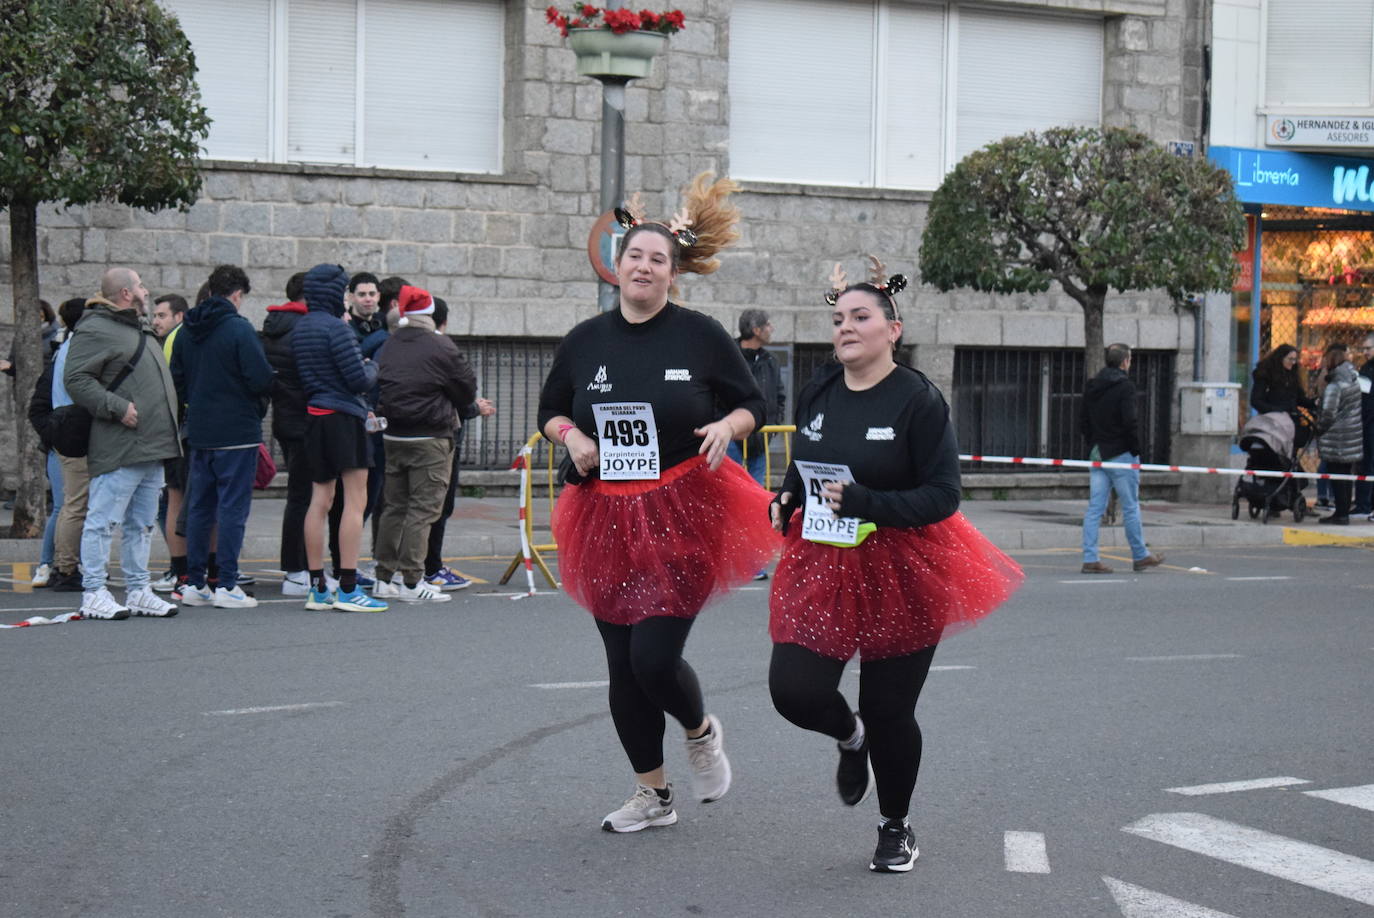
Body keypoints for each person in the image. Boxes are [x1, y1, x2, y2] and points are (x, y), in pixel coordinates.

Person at [536, 173, 778, 833]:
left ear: (674, 273)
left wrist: (729, 429)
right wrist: (573, 436)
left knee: (653, 658)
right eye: (635, 255)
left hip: (685, 507)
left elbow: (754, 403)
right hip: (605, 511)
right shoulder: (586, 341)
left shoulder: (699, 336)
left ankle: (700, 731)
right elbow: (550, 409)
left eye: (657, 259)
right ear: (618, 265)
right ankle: (653, 795)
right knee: (621, 666)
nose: (644, 266)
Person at [766, 264, 1022, 873]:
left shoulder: (917, 398)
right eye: (838, 319)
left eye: (860, 317)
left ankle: (895, 824)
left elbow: (943, 496)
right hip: (823, 561)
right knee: (793, 691)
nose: (845, 328)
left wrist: (868, 504)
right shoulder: (819, 390)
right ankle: (848, 738)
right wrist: (786, 498)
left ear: (892, 329)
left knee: (889, 710)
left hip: (904, 564)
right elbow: (806, 466)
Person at [63, 268, 180, 619]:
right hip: (121, 444)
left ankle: (138, 589)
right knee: (102, 521)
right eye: (141, 286)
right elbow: (76, 379)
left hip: (152, 445)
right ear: (127, 293)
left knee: (141, 524)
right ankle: (94, 591)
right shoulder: (97, 328)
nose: (147, 291)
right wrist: (116, 407)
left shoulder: (136, 326)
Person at [171, 265, 275, 608]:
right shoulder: (238, 329)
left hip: (200, 431)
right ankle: (227, 583)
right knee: (233, 508)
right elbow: (260, 378)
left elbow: (178, 379)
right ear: (236, 295)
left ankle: (196, 582)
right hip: (237, 431)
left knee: (200, 506)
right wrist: (254, 405)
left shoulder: (188, 330)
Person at [370, 286, 477, 602]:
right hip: (430, 436)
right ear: (430, 314)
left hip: (394, 435)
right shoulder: (440, 345)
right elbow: (466, 388)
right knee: (422, 509)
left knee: (394, 507)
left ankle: (383, 576)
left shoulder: (390, 344)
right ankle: (413, 581)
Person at [291, 263, 388, 613]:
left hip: (315, 416)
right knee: (356, 501)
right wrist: (372, 364)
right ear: (335, 293)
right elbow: (359, 380)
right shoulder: (337, 329)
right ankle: (348, 587)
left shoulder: (302, 328)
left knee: (319, 500)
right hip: (345, 419)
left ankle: (318, 587)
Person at [421, 296, 492, 591]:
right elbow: (460, 397)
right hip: (441, 439)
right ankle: (430, 567)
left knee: (408, 506)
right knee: (437, 506)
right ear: (444, 322)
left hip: (404, 435)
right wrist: (476, 408)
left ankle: (402, 566)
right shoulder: (442, 350)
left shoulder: (402, 347)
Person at [1079, 343, 1163, 574]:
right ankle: (1139, 554)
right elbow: (1130, 422)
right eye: (1130, 359)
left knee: (1095, 508)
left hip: (1098, 453)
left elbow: (1083, 420)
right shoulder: (1125, 386)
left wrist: (1093, 442)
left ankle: (1090, 558)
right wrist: (1135, 449)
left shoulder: (1092, 385)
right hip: (1121, 454)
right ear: (1125, 361)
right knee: (1131, 506)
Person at [261, 273, 312, 594]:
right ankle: (296, 570)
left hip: (285, 418)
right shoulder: (304, 328)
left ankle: (299, 567)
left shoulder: (275, 326)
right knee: (304, 499)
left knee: (302, 497)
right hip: (306, 421)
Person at [26, 299, 77, 587]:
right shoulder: (62, 355)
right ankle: (47, 564)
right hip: (61, 442)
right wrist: (53, 434)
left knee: (69, 506)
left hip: (65, 440)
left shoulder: (63, 352)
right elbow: (39, 406)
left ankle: (61, 563)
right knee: (63, 506)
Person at [46, 298, 90, 593]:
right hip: (74, 429)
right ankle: (66, 567)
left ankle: (63, 565)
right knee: (75, 504)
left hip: (64, 426)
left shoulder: (66, 346)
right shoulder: (76, 347)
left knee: (70, 504)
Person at [149, 293, 189, 593]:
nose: (155, 321)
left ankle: (180, 568)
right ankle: (181, 569)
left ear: (179, 316)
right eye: (155, 315)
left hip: (172, 431)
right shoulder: (170, 341)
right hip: (175, 432)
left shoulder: (173, 341)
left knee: (173, 499)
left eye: (161, 315)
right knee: (175, 498)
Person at [727, 308, 784, 485]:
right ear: (756, 330)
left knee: (757, 490)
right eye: (767, 324)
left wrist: (774, 426)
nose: (772, 328)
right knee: (733, 488)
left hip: (761, 437)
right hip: (731, 437)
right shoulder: (728, 356)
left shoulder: (770, 360)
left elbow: (779, 396)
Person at [1314, 342, 1362, 525]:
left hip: (1336, 438)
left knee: (1336, 475)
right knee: (1345, 476)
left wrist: (1319, 428)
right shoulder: (1353, 380)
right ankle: (1343, 511)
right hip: (1352, 436)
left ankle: (1340, 514)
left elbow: (1328, 413)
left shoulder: (1335, 386)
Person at [1250, 344, 1317, 449]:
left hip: (1291, 422)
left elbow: (1299, 398)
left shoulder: (1292, 376)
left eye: (1295, 359)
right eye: (1290, 359)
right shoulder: (1265, 375)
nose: (1293, 362)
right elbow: (1256, 400)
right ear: (1280, 358)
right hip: (1273, 422)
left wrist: (1314, 402)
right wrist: (1276, 411)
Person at [1352, 334, 1374, 519]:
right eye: (1364, 349)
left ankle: (1365, 505)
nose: (1365, 352)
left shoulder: (1368, 369)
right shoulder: (1366, 368)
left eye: (1368, 348)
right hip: (1366, 422)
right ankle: (1364, 504)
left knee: (1369, 464)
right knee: (1365, 464)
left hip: (1369, 421)